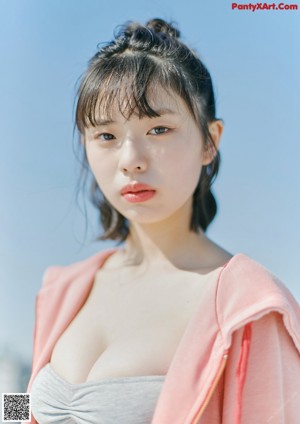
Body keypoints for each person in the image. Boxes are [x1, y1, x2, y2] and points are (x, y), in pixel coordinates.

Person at [25, 18, 300, 424]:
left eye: (159, 129)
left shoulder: (250, 309)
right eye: (106, 136)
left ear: (211, 141)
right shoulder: (62, 288)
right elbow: (22, 402)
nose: (131, 159)